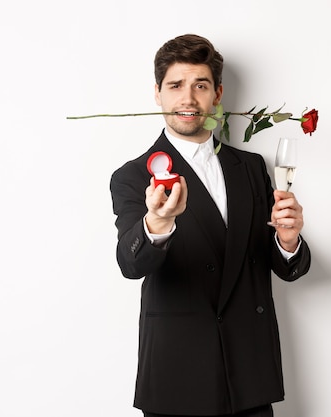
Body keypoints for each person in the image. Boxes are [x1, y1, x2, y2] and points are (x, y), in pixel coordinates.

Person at [110, 34, 311, 417]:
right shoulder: (133, 176)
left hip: (250, 374)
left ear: (217, 94)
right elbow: (130, 263)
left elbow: (277, 264)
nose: (188, 98)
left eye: (200, 86)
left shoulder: (251, 167)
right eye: (175, 86)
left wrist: (288, 240)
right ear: (157, 93)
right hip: (177, 376)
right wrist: (157, 222)